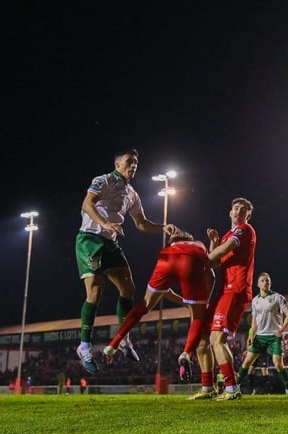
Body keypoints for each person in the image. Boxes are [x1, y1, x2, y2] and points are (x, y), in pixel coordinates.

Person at [74, 148, 178, 373]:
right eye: (129, 162)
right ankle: (84, 346)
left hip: (110, 242)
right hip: (90, 239)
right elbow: (87, 204)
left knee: (128, 288)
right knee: (95, 293)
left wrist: (163, 227)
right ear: (118, 163)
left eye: (136, 163)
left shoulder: (132, 193)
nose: (133, 166)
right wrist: (104, 223)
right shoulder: (103, 180)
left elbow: (141, 223)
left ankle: (123, 339)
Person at [102, 229, 216, 387]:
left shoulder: (168, 248)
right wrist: (203, 303)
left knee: (145, 304)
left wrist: (183, 301)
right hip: (191, 260)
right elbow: (212, 275)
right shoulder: (198, 245)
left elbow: (164, 291)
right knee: (197, 318)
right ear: (190, 238)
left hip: (166, 259)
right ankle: (187, 353)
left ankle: (114, 342)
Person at [189, 197, 256, 401]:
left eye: (243, 210)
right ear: (229, 212)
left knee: (216, 339)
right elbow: (217, 261)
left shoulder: (245, 230)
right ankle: (207, 387)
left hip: (235, 290)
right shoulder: (229, 235)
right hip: (223, 291)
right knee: (202, 339)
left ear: (248, 215)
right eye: (235, 208)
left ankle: (231, 387)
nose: (238, 212)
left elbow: (222, 252)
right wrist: (213, 244)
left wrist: (200, 262)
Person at [236, 272, 288, 394]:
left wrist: (281, 330)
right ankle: (234, 388)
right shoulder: (255, 301)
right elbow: (254, 320)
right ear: (258, 284)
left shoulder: (278, 298)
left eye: (267, 280)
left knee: (278, 364)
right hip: (259, 337)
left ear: (270, 283)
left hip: (274, 337)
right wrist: (251, 335)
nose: (265, 283)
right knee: (247, 362)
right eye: (262, 280)